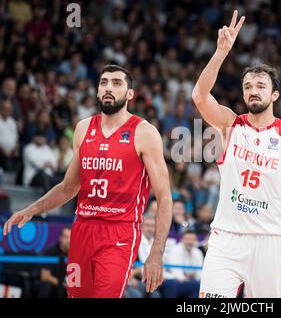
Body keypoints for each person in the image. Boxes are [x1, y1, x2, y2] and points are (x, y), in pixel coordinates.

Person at [3, 64, 173, 298]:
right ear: (96, 91)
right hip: (82, 229)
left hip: (119, 232)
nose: (108, 88)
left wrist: (156, 253)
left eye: (116, 83)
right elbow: (69, 187)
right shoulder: (84, 129)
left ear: (130, 94)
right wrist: (31, 209)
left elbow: (164, 198)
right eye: (104, 83)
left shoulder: (144, 133)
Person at [192, 10, 281, 298]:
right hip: (226, 239)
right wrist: (221, 52)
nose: (253, 91)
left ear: (274, 94)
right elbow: (199, 97)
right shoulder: (230, 125)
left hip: (271, 243)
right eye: (248, 86)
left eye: (261, 86)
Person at [34, 227, 71, 298]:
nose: (69, 241)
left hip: (64, 285)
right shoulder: (50, 251)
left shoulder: (76, 253)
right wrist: (64, 285)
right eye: (66, 237)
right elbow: (45, 277)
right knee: (46, 285)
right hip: (46, 284)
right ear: (60, 238)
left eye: (71, 237)